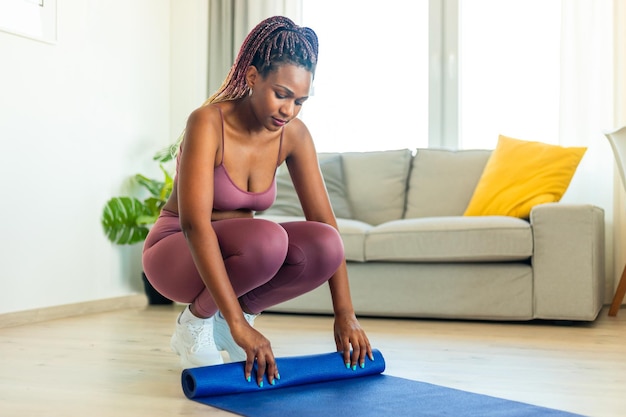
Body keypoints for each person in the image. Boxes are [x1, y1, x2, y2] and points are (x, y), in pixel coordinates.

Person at [142, 15, 372, 387]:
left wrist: (345, 314)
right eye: (281, 94)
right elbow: (194, 224)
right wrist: (236, 328)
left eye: (300, 101)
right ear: (251, 78)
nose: (289, 110)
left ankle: (234, 314)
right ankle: (196, 323)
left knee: (327, 243)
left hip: (236, 258)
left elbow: (325, 224)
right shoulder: (207, 122)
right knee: (267, 238)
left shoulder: (293, 135)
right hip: (176, 252)